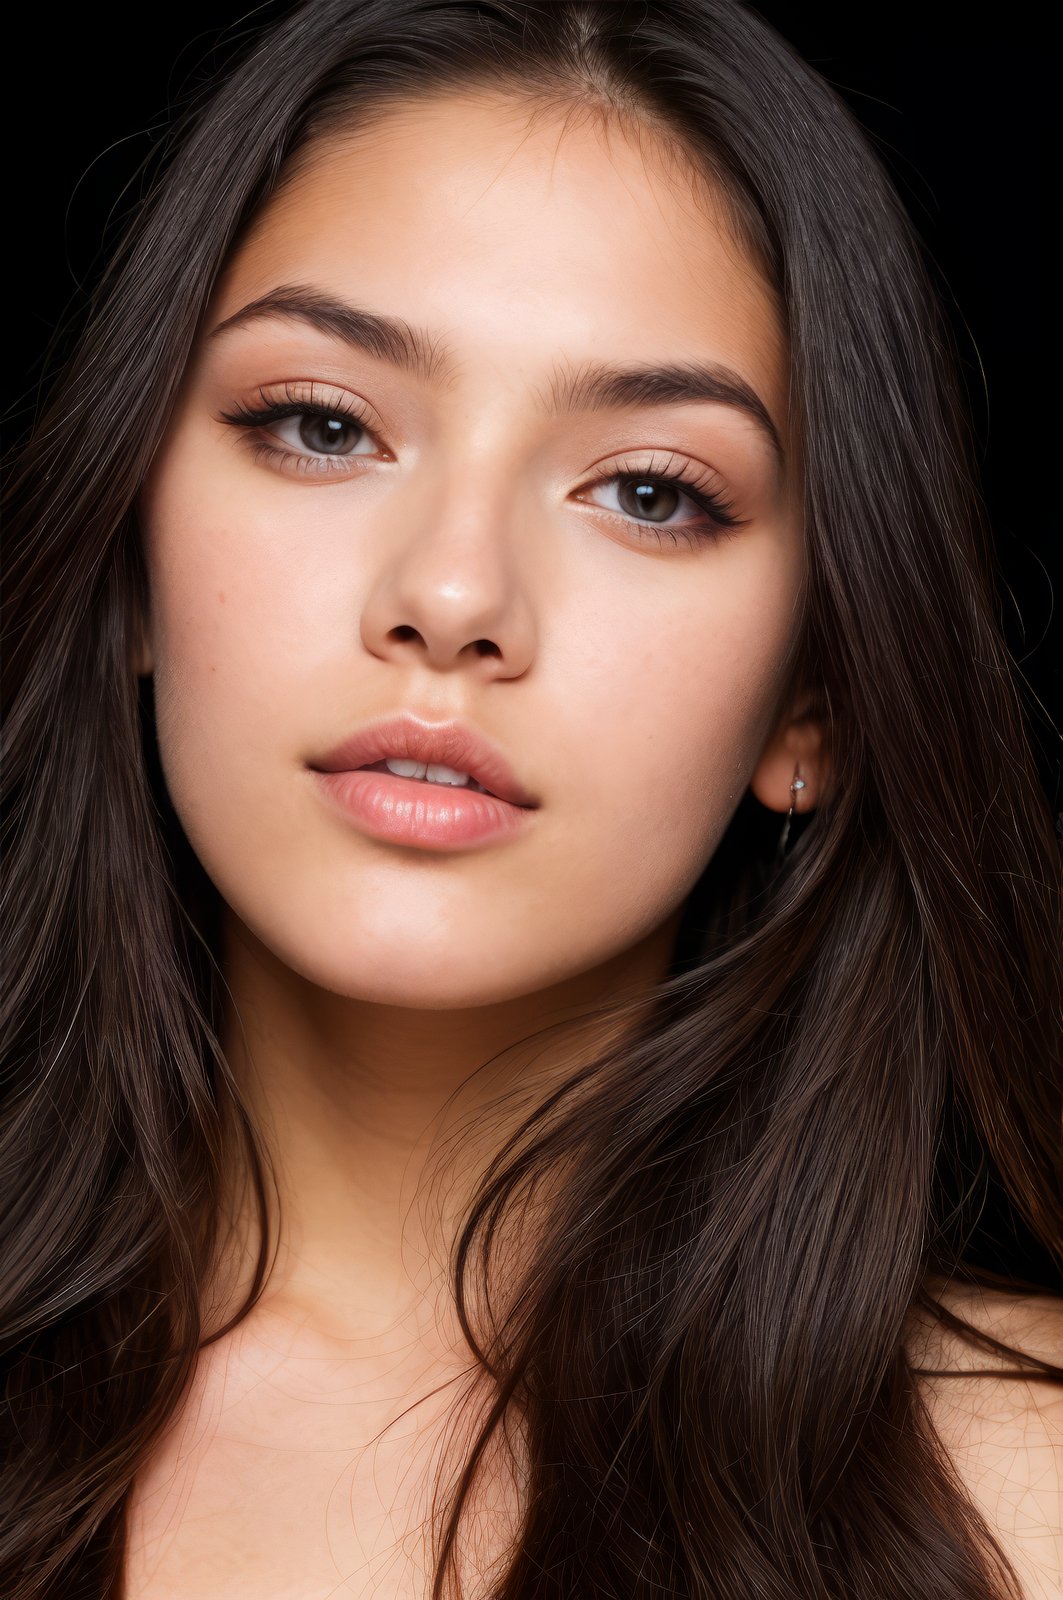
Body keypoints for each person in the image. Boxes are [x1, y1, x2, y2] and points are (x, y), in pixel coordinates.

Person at [3, 2, 1061, 1597]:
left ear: (814, 703)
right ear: (136, 564)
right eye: (322, 425)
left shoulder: (1029, 1499)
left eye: (649, 492)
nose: (450, 592)